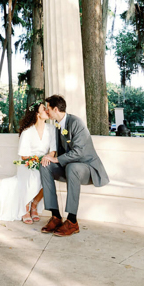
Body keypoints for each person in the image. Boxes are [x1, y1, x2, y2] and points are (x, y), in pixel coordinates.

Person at [39, 94, 110, 237]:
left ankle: (72, 221)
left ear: (56, 109)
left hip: (88, 168)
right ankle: (56, 216)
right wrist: (50, 157)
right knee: (45, 166)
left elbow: (79, 152)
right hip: (69, 167)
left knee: (72, 167)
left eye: (48, 109)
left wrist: (57, 160)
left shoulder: (76, 122)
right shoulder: (57, 126)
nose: (47, 111)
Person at [0, 101, 56, 223]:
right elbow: (24, 156)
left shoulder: (51, 129)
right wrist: (36, 160)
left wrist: (47, 158)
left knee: (49, 176)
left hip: (44, 161)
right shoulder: (27, 132)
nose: (47, 110)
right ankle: (25, 207)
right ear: (37, 114)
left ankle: (34, 205)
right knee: (34, 176)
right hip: (27, 163)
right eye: (43, 109)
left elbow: (53, 151)